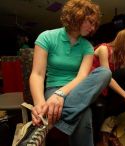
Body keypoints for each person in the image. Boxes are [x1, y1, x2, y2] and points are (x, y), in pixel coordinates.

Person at [29, 1, 111, 146]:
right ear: (77, 16)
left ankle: (46, 125)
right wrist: (40, 105)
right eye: (90, 22)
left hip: (77, 89)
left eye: (94, 25)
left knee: (105, 72)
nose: (92, 28)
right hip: (53, 89)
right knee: (84, 115)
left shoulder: (87, 47)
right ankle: (46, 119)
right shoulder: (46, 37)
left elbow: (81, 77)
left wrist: (60, 95)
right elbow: (37, 74)